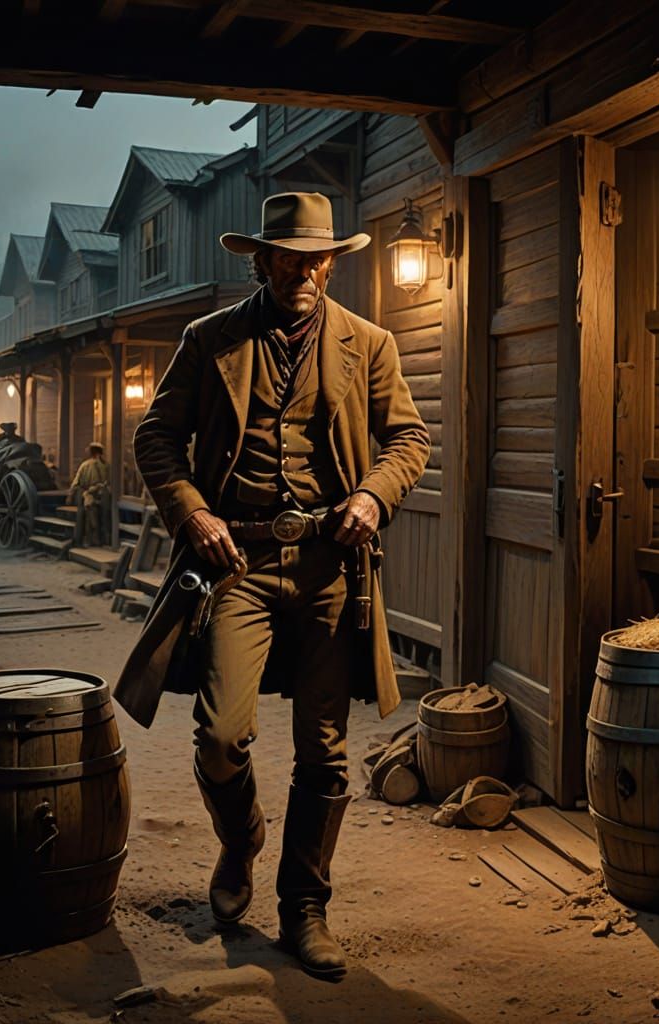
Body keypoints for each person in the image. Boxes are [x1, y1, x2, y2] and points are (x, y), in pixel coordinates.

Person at [114, 192, 430, 980]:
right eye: (290, 256)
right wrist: (192, 514)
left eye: (318, 257)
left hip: (331, 564)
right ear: (261, 260)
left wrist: (372, 495)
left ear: (332, 261)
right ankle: (240, 837)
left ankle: (304, 907)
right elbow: (155, 436)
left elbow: (409, 437)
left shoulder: (370, 342)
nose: (306, 270)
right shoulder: (209, 338)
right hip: (237, 565)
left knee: (324, 753)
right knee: (221, 739)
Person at [68, 442, 111, 547]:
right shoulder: (107, 465)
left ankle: (87, 540)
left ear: (92, 452)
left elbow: (76, 483)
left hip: (89, 495)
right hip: (103, 495)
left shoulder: (85, 465)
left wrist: (70, 495)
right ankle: (104, 540)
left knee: (87, 517)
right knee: (104, 517)